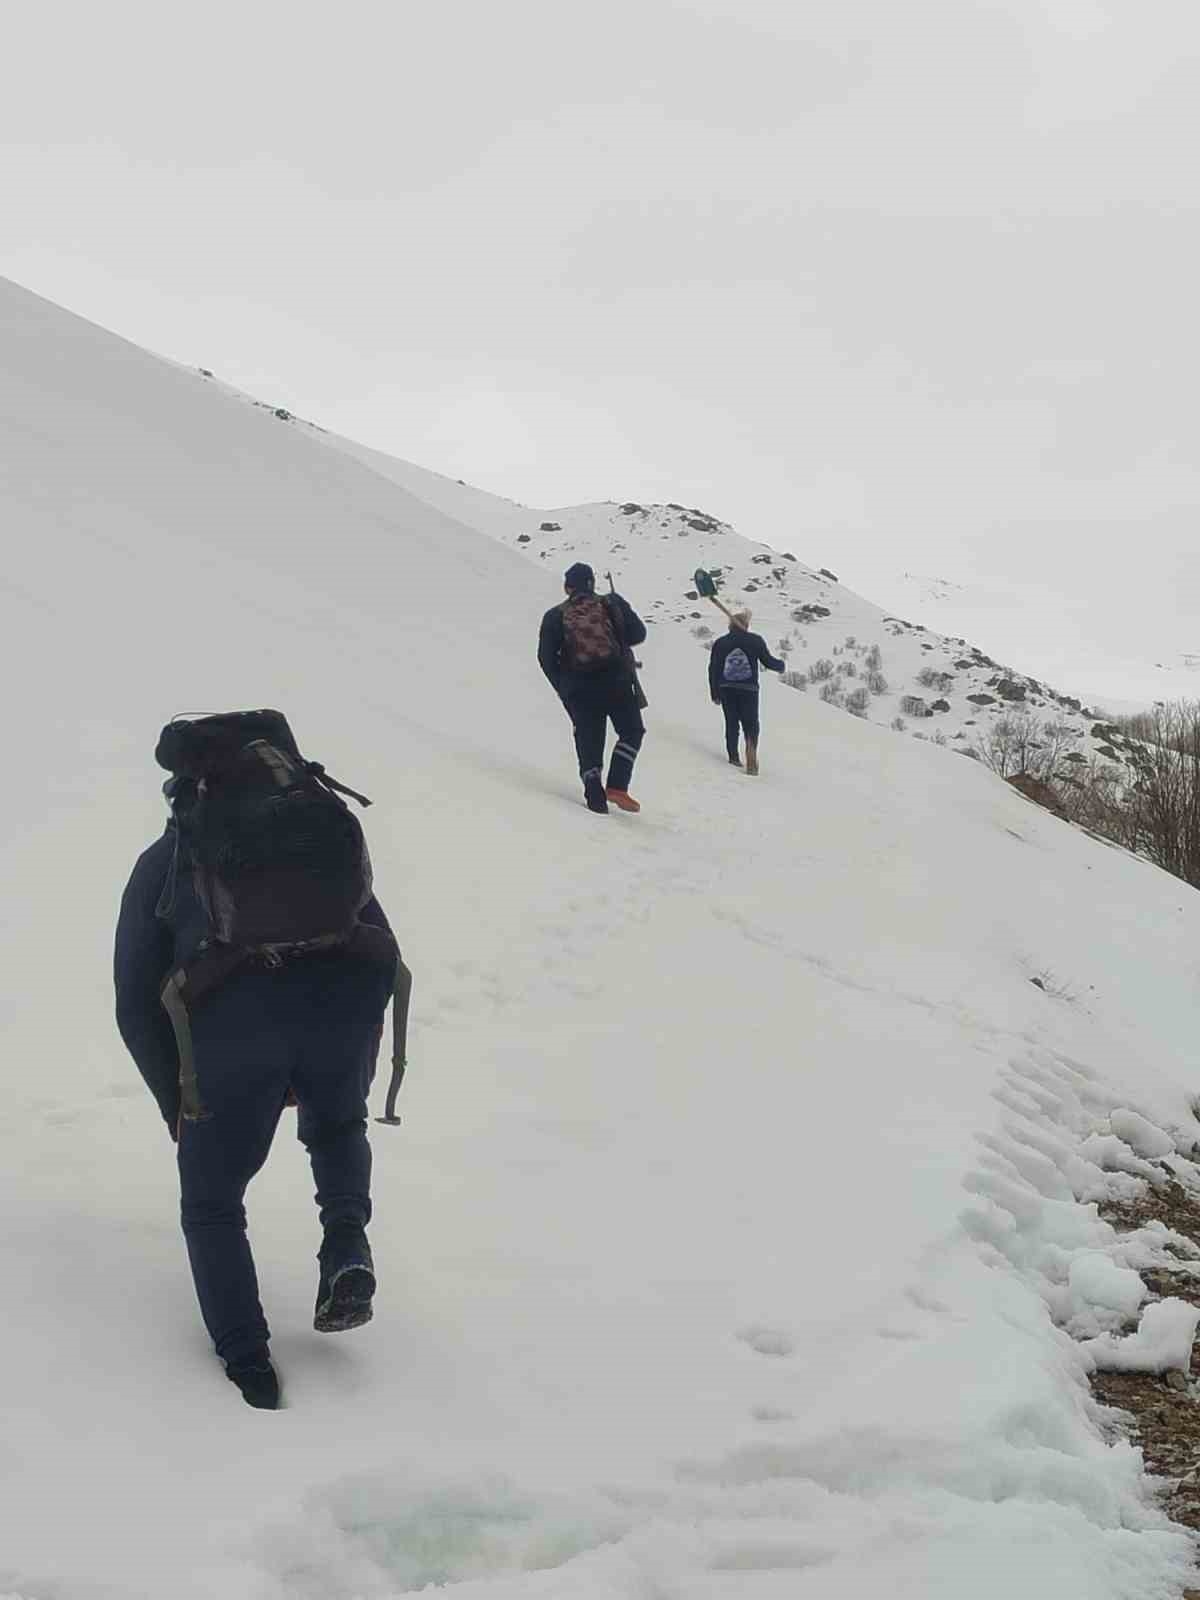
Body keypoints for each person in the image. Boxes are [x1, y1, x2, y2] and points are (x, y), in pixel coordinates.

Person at [114, 712, 403, 1410]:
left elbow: (133, 1000)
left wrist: (175, 1101)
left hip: (232, 1037)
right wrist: (351, 1048)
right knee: (338, 1128)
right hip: (341, 1014)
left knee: (213, 1202)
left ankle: (250, 1366)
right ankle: (346, 1241)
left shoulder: (167, 862)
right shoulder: (319, 834)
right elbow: (376, 935)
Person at [538, 562, 648, 815]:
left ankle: (595, 798)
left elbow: (545, 657)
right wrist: (620, 611)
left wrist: (564, 688)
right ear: (592, 583)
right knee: (631, 731)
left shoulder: (555, 615)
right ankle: (617, 786)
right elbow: (638, 634)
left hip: (580, 688)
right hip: (617, 680)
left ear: (567, 588)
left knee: (589, 738)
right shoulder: (610, 603)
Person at [708, 607, 786, 775]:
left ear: (730, 626)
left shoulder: (721, 643)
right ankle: (751, 750)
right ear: (746, 625)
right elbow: (768, 661)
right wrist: (780, 665)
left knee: (731, 722)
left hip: (726, 688)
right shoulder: (755, 640)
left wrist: (714, 692)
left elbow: (713, 669)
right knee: (751, 723)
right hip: (748, 689)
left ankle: (733, 756)